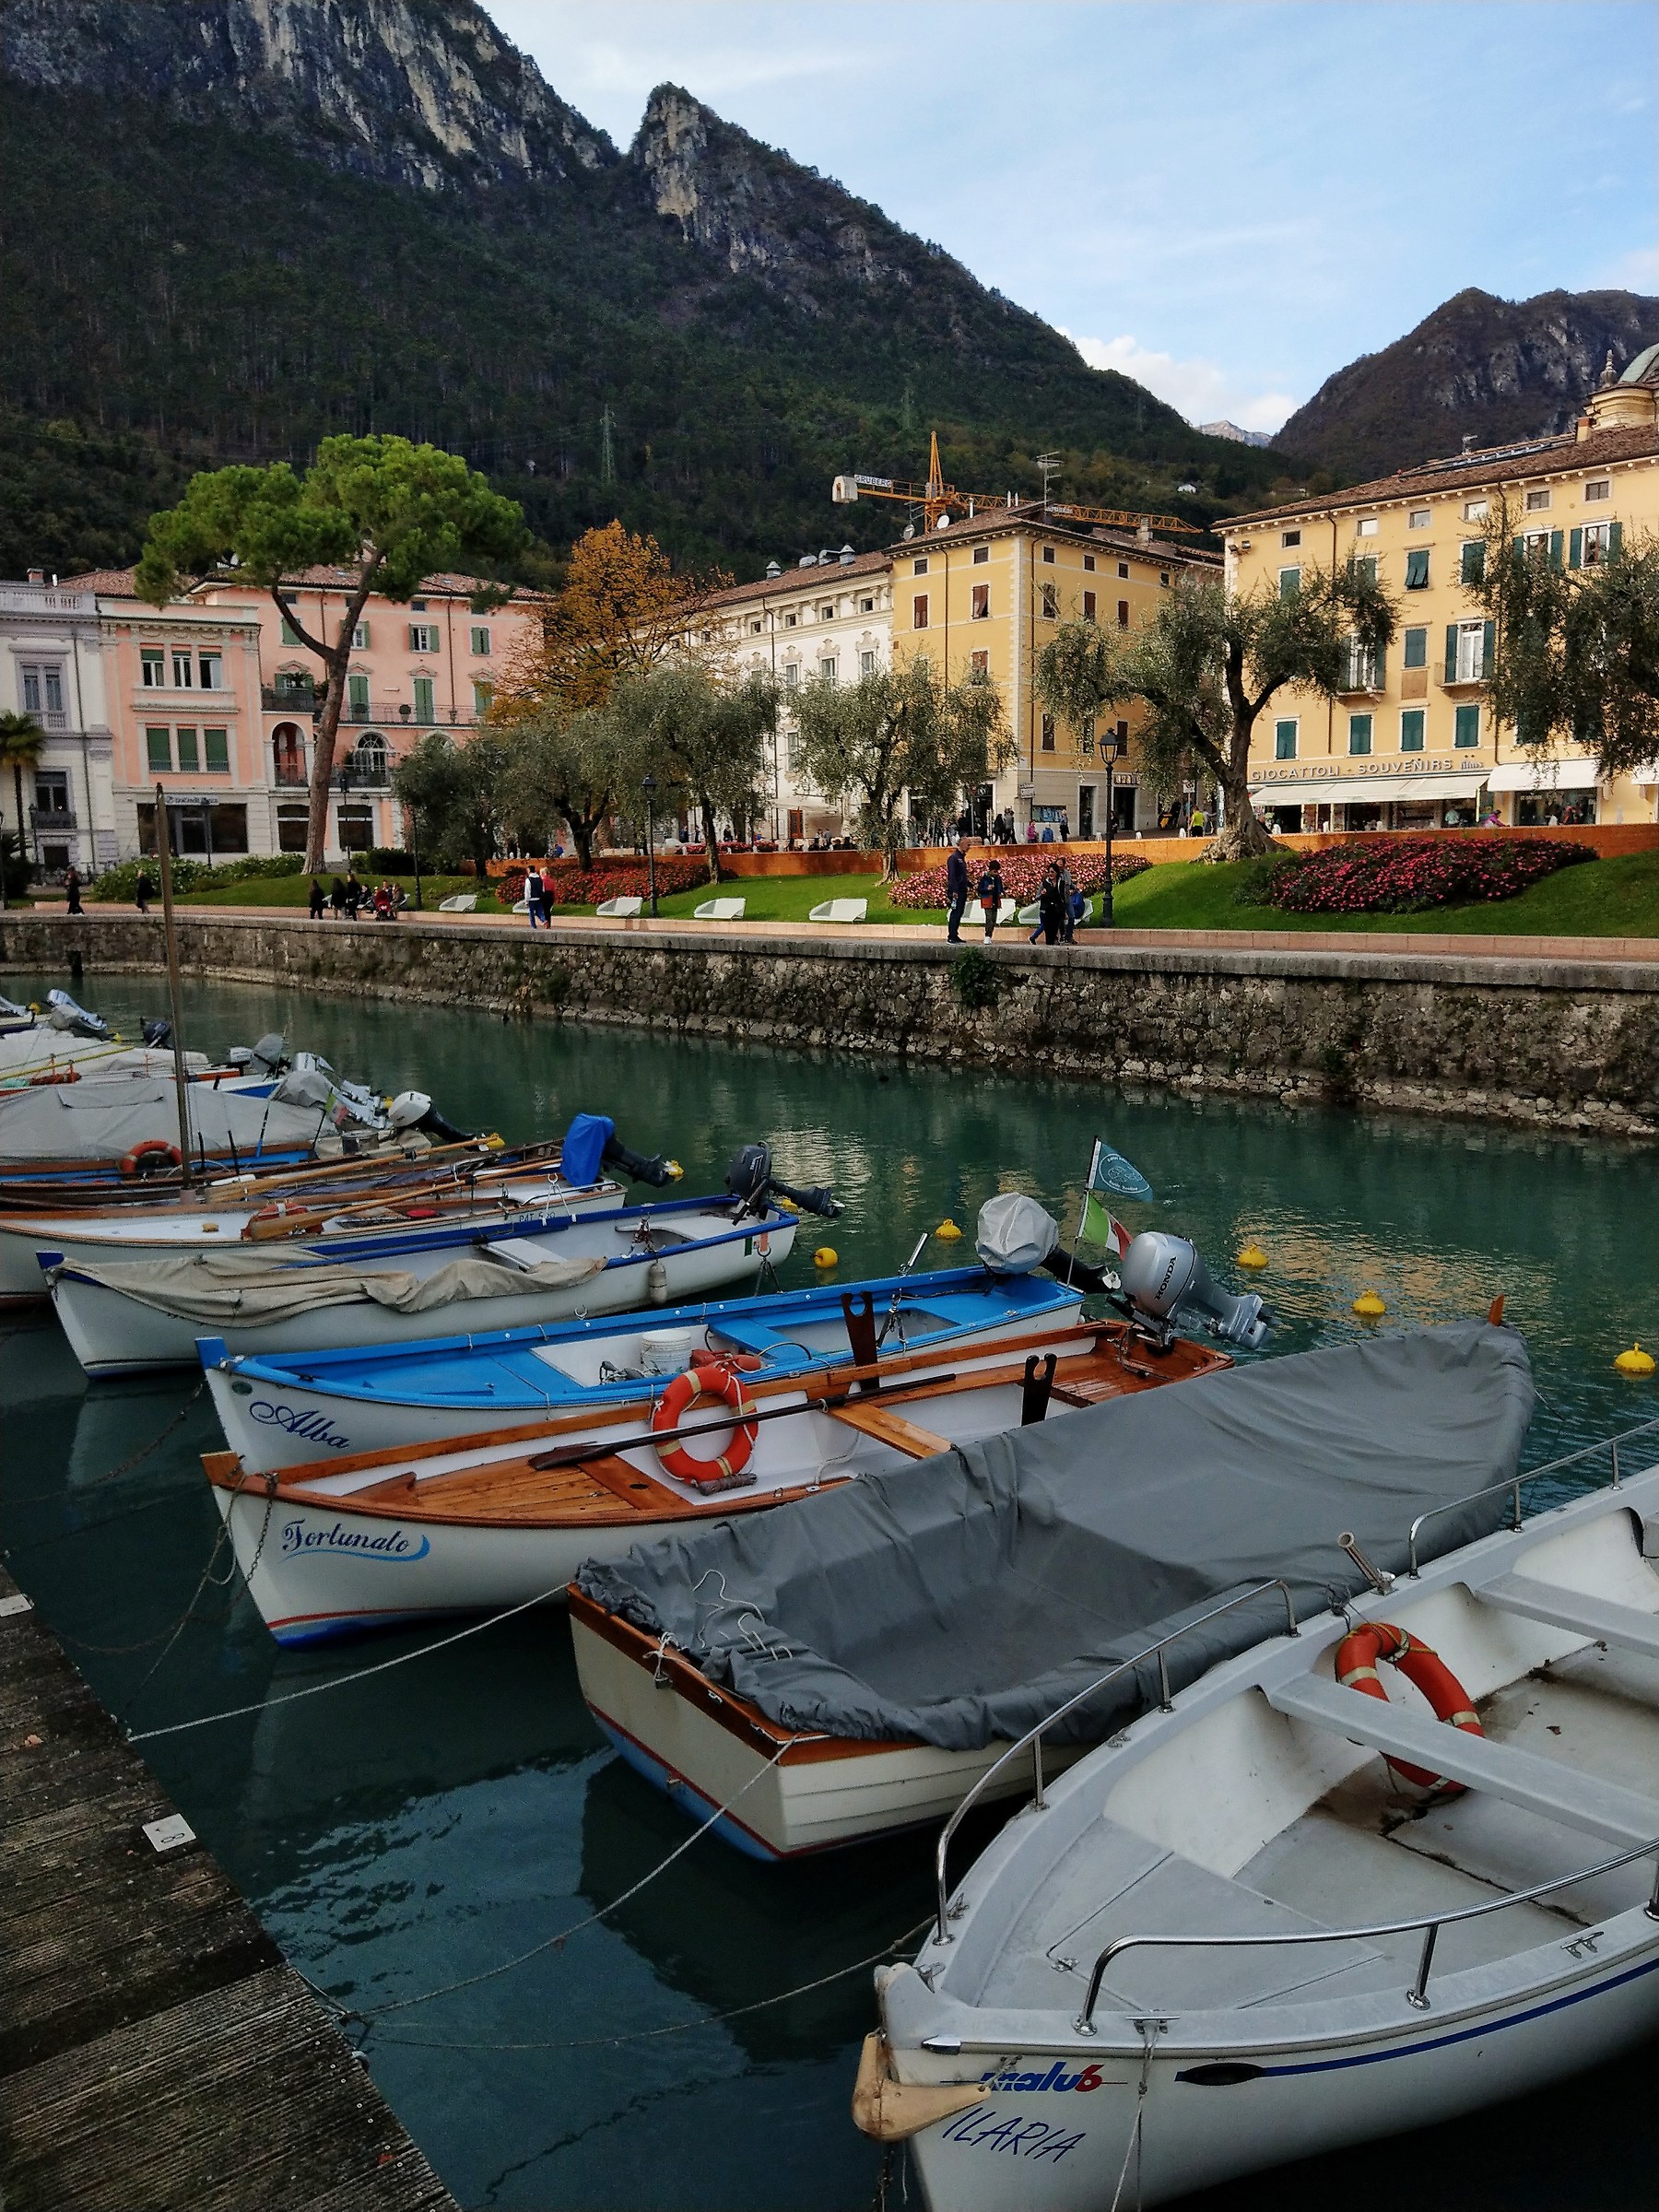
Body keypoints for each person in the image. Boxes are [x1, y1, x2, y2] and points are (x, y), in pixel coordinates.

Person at [944, 835, 970, 944]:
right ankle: (951, 936)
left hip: (962, 889)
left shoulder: (961, 858)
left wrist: (971, 885)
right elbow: (953, 876)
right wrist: (954, 891)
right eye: (968, 845)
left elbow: (962, 876)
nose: (969, 847)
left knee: (959, 912)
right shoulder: (954, 858)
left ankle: (955, 934)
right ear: (961, 844)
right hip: (957, 891)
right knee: (956, 913)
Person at [977, 857, 1004, 942]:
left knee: (994, 919)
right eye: (995, 871)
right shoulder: (984, 879)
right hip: (987, 900)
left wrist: (1001, 892)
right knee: (989, 918)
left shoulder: (998, 879)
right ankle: (987, 935)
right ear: (990, 870)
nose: (996, 873)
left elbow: (1001, 888)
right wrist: (986, 888)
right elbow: (979, 890)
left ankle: (990, 935)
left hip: (996, 900)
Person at [524, 862, 547, 928]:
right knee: (539, 911)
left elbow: (527, 891)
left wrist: (526, 901)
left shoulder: (529, 880)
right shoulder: (540, 879)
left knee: (531, 913)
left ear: (529, 870)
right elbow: (543, 889)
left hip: (531, 899)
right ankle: (544, 920)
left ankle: (533, 926)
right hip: (539, 898)